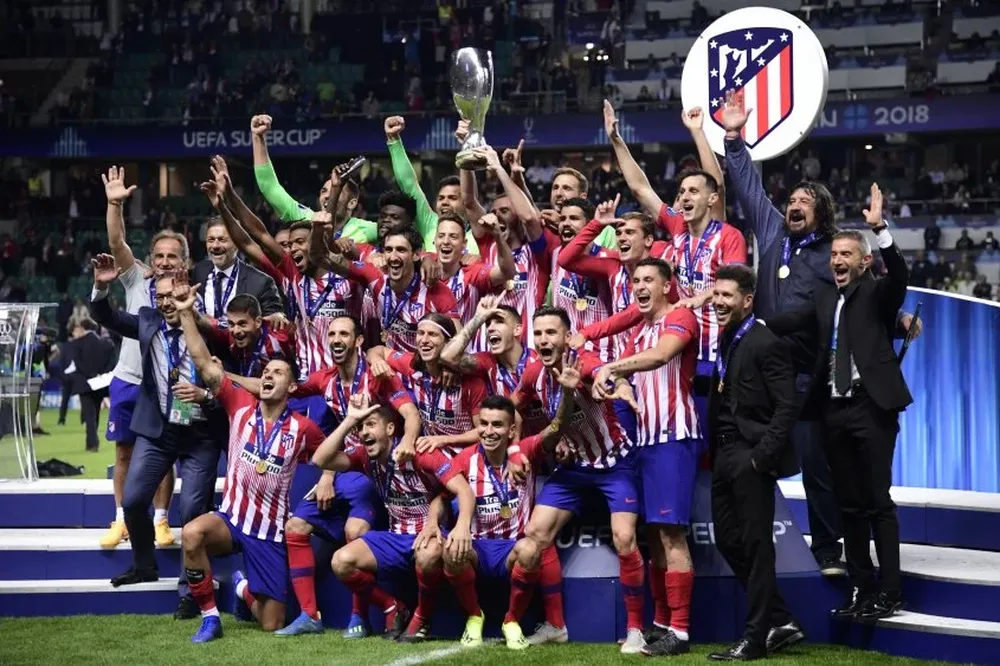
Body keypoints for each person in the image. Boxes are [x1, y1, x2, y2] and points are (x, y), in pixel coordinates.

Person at [764, 184, 912, 620]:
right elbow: (791, 319)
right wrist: (749, 320)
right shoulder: (826, 296)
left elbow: (899, 275)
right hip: (833, 408)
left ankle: (891, 591)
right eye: (834, 256)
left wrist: (880, 229)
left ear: (864, 262)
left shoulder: (878, 294)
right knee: (848, 503)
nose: (838, 261)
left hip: (872, 407)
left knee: (876, 502)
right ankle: (860, 590)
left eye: (847, 255)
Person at [720, 89, 846, 575]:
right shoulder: (772, 234)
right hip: (762, 370)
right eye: (791, 199)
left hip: (808, 376)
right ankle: (754, 543)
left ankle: (830, 549)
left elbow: (861, 290)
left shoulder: (834, 250)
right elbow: (748, 186)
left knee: (816, 465)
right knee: (754, 457)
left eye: (805, 201)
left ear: (822, 212)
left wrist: (895, 318)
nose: (794, 205)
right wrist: (734, 137)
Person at [171, 279, 326, 643]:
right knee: (192, 533)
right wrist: (185, 314)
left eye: (278, 374)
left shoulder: (303, 428)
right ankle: (210, 618)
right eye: (266, 372)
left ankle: (241, 589)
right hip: (232, 519)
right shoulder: (238, 405)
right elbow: (203, 364)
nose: (269, 376)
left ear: (291, 387)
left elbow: (329, 456)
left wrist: (330, 477)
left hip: (270, 533)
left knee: (271, 623)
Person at [272, 315, 421, 638]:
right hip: (344, 466)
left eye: (344, 334)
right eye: (332, 334)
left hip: (374, 469)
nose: (336, 339)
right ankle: (310, 615)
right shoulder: (325, 379)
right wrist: (222, 380)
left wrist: (407, 441)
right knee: (295, 527)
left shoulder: (378, 375)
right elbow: (278, 388)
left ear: (357, 342)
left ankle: (358, 615)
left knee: (356, 529)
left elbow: (410, 412)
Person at [88, 256, 221, 616]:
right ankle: (144, 563)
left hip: (200, 436)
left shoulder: (206, 324)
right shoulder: (149, 322)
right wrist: (101, 287)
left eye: (171, 295)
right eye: (159, 296)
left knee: (193, 512)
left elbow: (223, 344)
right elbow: (108, 317)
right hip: (159, 430)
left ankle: (190, 590)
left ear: (186, 292)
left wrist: (193, 314)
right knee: (132, 501)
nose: (165, 302)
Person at [511, 307, 642, 652]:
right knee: (536, 533)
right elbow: (513, 409)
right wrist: (514, 449)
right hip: (574, 470)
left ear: (567, 337)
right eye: (537, 334)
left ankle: (634, 629)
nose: (543, 340)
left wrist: (614, 383)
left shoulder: (584, 360)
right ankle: (555, 625)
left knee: (625, 537)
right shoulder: (534, 374)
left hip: (616, 464)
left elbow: (603, 375)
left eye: (551, 333)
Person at [592, 258, 700, 656]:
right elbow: (628, 373)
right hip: (646, 440)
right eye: (635, 279)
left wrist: (613, 367)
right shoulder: (640, 330)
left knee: (672, 534)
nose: (639, 285)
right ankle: (662, 623)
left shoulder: (681, 316)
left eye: (648, 279)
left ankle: (682, 631)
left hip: (675, 436)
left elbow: (659, 357)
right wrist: (618, 384)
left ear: (667, 285)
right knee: (654, 535)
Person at [314, 395, 476, 644]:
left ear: (390, 429)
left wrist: (463, 524)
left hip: (428, 533)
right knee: (341, 561)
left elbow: (463, 490)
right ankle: (393, 607)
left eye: (370, 424)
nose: (364, 432)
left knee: (429, 553)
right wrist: (349, 420)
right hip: (394, 536)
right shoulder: (365, 457)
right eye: (361, 428)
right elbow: (320, 459)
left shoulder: (421, 453)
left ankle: (423, 615)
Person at [705, 263, 803, 660]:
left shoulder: (766, 341)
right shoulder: (727, 339)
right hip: (724, 453)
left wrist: (762, 458)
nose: (719, 302)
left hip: (750, 456)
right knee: (728, 540)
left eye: (727, 296)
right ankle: (781, 620)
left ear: (747, 300)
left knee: (757, 546)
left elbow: (786, 407)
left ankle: (756, 635)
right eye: (716, 295)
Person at [443, 382, 574, 650]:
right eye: (484, 424)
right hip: (477, 549)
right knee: (449, 549)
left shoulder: (526, 452)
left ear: (511, 430)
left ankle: (511, 621)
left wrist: (569, 393)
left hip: (511, 550)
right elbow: (440, 497)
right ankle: (474, 616)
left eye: (497, 425)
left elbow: (555, 429)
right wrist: (437, 525)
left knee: (530, 548)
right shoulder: (465, 458)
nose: (489, 431)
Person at [98, 167, 179, 573]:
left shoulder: (186, 292)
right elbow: (116, 241)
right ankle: (121, 519)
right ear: (151, 257)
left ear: (183, 262)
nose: (164, 262)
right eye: (160, 255)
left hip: (165, 387)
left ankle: (161, 520)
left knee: (164, 457)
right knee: (124, 454)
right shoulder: (136, 279)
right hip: (129, 380)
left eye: (172, 256)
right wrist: (115, 204)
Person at [369, 314, 488, 454]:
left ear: (448, 342)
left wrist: (443, 440)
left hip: (464, 456)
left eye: (432, 334)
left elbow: (483, 431)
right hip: (430, 451)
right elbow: (376, 350)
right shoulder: (413, 366)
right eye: (420, 333)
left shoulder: (470, 383)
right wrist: (377, 361)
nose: (424, 340)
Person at [250, 114, 377, 243]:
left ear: (352, 203)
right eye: (323, 191)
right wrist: (258, 137)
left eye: (335, 191)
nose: (327, 196)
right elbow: (270, 187)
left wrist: (393, 140)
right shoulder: (306, 219)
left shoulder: (367, 230)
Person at [330, 229, 459, 353]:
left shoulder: (437, 291)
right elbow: (323, 259)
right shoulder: (375, 277)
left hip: (425, 370)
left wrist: (427, 257)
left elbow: (458, 344)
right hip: (390, 367)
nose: (393, 257)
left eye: (401, 250)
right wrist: (320, 230)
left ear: (416, 254)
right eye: (388, 250)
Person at [383, 115, 479, 252]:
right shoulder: (429, 224)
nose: (444, 202)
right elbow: (409, 185)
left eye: (453, 198)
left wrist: (466, 146)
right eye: (441, 198)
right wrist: (394, 139)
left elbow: (471, 198)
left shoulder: (480, 231)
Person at [192, 217, 283, 322]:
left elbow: (274, 322)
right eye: (211, 240)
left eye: (222, 240)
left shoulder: (260, 282)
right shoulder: (200, 271)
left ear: (237, 244)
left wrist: (278, 316)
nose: (215, 246)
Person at [61, 318, 116, 451]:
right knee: (95, 413)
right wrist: (100, 374)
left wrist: (90, 375)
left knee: (89, 414)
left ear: (82, 328)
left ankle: (92, 443)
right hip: (100, 383)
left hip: (85, 383)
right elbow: (112, 363)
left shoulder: (77, 344)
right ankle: (91, 441)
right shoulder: (106, 343)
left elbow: (78, 364)